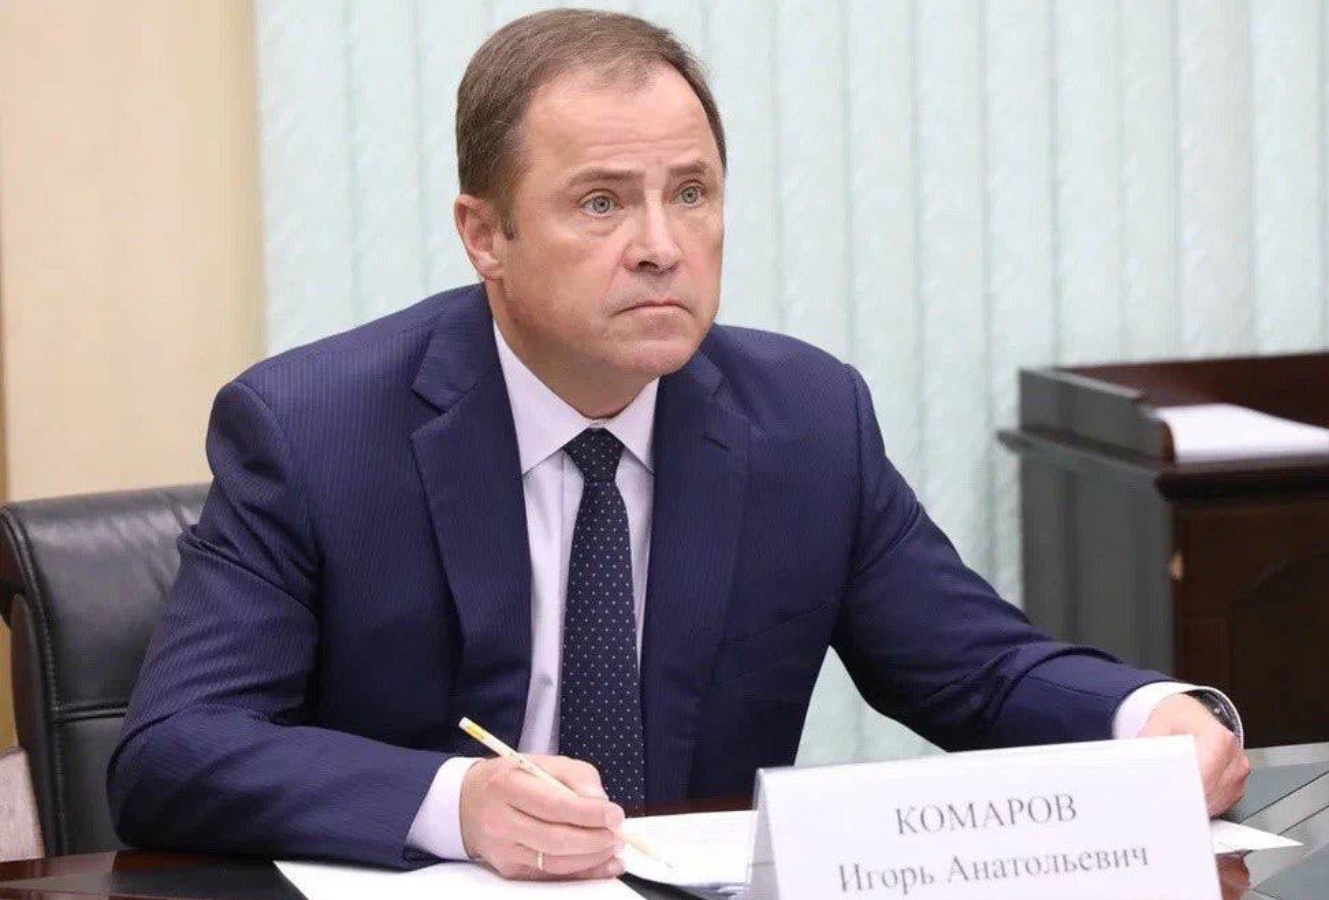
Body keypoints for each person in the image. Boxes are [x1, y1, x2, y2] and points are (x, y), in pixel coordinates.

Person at [107, 9, 1249, 883]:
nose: (662, 245)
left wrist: (1147, 719)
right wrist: (455, 804)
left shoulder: (804, 419)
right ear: (485, 235)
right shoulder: (314, 429)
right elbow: (174, 750)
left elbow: (978, 671)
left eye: (691, 193)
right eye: (602, 203)